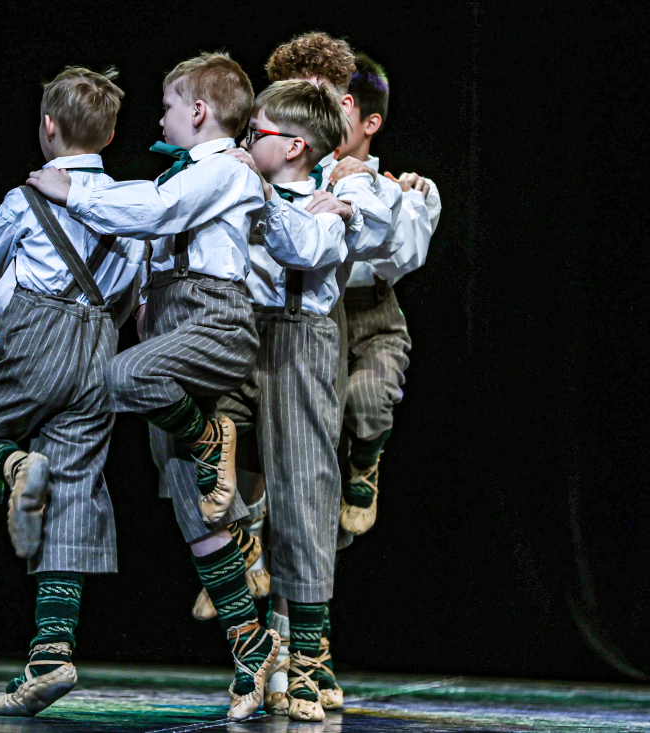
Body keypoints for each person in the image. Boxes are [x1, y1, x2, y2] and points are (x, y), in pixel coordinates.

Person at [27, 51, 286, 721]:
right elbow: (148, 243)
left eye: (169, 106)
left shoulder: (226, 169)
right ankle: (252, 647)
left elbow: (159, 211)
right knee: (195, 514)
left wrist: (72, 191)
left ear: (198, 111)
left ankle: (209, 438)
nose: (160, 117)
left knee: (122, 375)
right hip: (173, 326)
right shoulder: (184, 173)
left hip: (213, 322)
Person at [0, 67, 141, 717]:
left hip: (37, 332)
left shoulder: (26, 200)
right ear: (109, 134)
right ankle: (51, 652)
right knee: (74, 486)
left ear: (48, 126)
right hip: (101, 342)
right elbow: (135, 285)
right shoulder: (130, 200)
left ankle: (16, 466)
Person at [218, 79, 351, 721]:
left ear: (295, 146)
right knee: (198, 450)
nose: (245, 142)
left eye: (256, 134)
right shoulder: (238, 188)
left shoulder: (331, 204)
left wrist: (264, 196)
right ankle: (244, 546)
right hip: (237, 333)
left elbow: (302, 249)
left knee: (303, 491)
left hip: (299, 341)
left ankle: (306, 653)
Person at [325, 51, 442, 537]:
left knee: (369, 397)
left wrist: (402, 197)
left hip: (372, 312)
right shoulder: (299, 172)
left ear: (369, 122)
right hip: (320, 315)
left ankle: (365, 464)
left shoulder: (397, 187)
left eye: (338, 107)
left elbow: (404, 256)